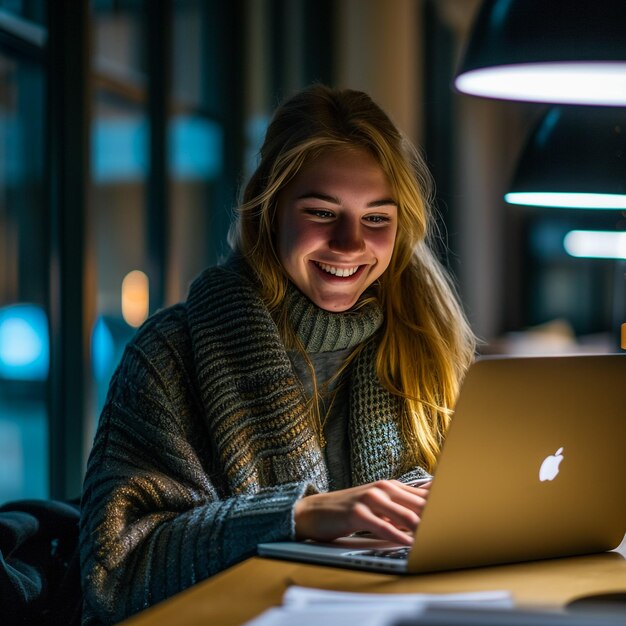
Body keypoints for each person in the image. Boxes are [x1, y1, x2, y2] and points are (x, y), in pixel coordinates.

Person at [79, 84, 476, 624]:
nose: (350, 243)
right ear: (270, 211)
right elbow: (115, 575)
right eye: (322, 212)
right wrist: (300, 514)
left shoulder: (425, 344)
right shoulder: (168, 355)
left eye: (377, 218)